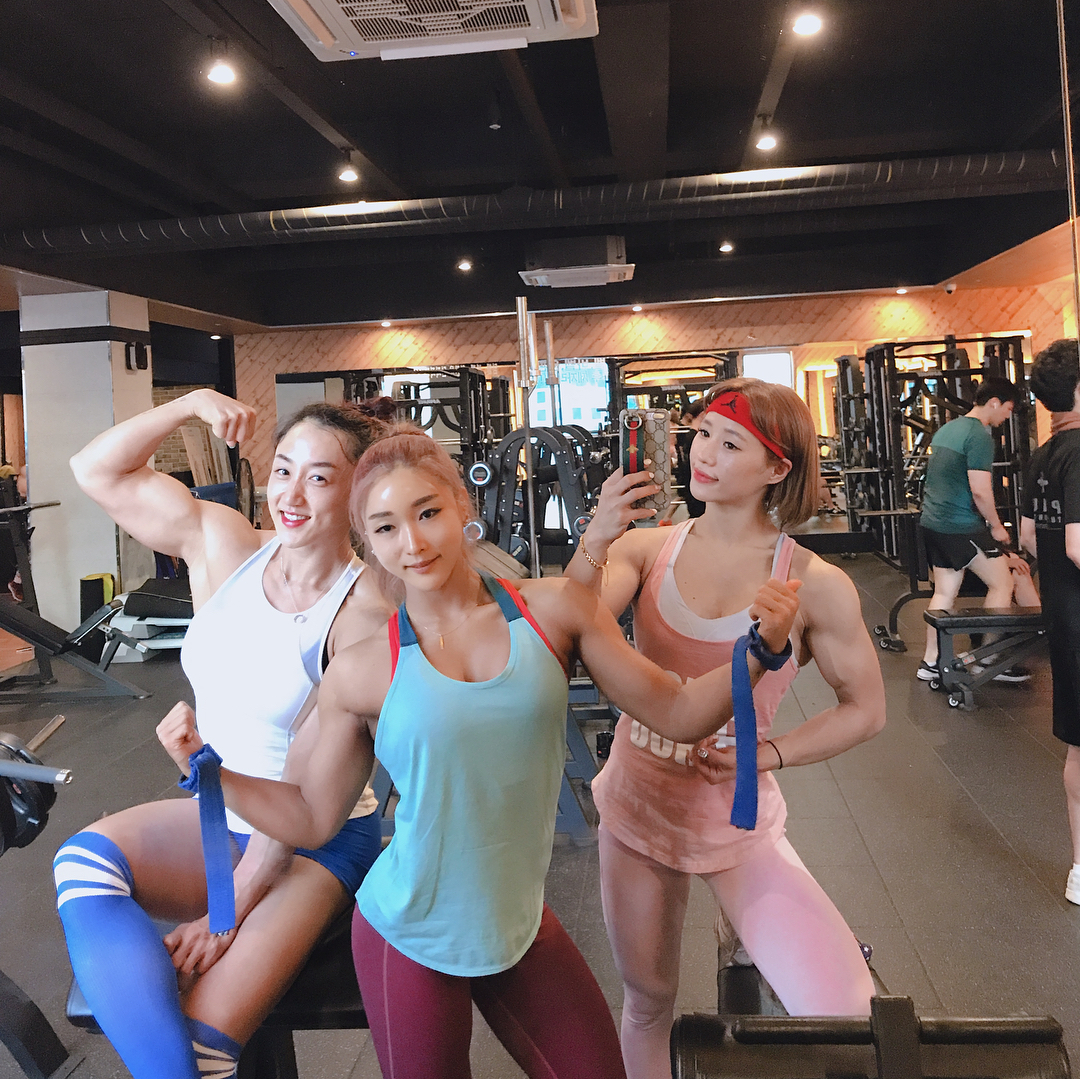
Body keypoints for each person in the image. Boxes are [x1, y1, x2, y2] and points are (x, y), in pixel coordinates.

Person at [155, 424, 803, 1079]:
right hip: (407, 933)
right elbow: (311, 817)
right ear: (368, 542)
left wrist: (759, 651)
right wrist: (209, 771)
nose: (412, 543)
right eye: (385, 528)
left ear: (462, 505)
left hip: (515, 921)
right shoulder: (360, 668)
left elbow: (678, 711)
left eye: (427, 513)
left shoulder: (555, 610)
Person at [54, 389, 395, 1079]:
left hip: (311, 841)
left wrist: (228, 906)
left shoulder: (361, 612)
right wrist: (187, 404)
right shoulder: (227, 546)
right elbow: (95, 469)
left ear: (357, 495)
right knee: (82, 863)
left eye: (319, 477)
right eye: (283, 469)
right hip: (222, 811)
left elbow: (307, 795)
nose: (290, 494)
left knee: (205, 1049)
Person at [565, 377, 885, 1079]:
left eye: (731, 443)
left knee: (851, 1016)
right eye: (703, 433)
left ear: (777, 468)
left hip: (736, 820)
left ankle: (740, 934)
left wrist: (772, 752)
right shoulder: (646, 550)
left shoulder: (812, 583)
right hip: (638, 806)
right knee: (648, 1001)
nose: (703, 454)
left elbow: (866, 709)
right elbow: (568, 626)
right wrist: (594, 538)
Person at [918, 375, 1036, 683]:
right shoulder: (979, 436)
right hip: (960, 527)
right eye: (1008, 409)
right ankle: (988, 660)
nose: (1007, 416)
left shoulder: (948, 429)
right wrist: (996, 527)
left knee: (944, 592)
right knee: (1002, 583)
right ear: (994, 403)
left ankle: (930, 662)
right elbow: (981, 491)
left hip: (933, 523)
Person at [1021, 339, 1080, 903]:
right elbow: (1079, 544)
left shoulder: (1041, 456)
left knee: (1078, 746)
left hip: (1064, 619)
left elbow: (1028, 538)